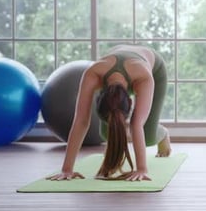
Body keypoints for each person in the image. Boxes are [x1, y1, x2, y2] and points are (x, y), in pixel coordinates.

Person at [47, 44, 171, 181]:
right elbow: (81, 121)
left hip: (154, 70)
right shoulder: (92, 73)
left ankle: (163, 133)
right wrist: (67, 169)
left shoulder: (144, 77)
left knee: (148, 136)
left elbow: (137, 124)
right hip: (117, 61)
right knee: (106, 133)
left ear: (130, 103)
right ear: (100, 95)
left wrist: (141, 169)